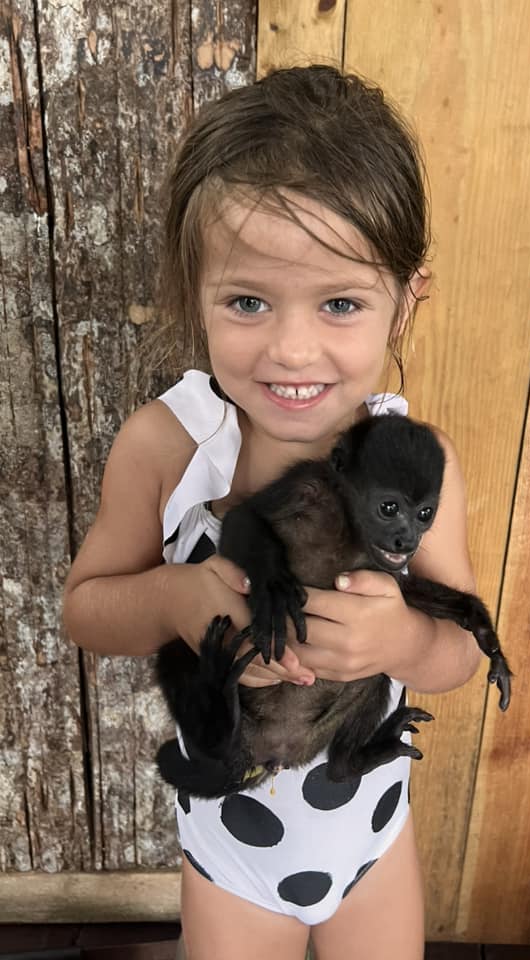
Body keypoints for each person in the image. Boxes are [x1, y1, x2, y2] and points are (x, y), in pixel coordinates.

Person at [63, 65, 482, 960]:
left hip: (371, 843)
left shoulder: (417, 466)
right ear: (195, 290)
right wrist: (178, 601)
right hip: (233, 861)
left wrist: (400, 642)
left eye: (340, 303)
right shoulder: (168, 447)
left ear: (408, 299)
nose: (293, 348)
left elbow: (461, 648)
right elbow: (86, 607)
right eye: (248, 301)